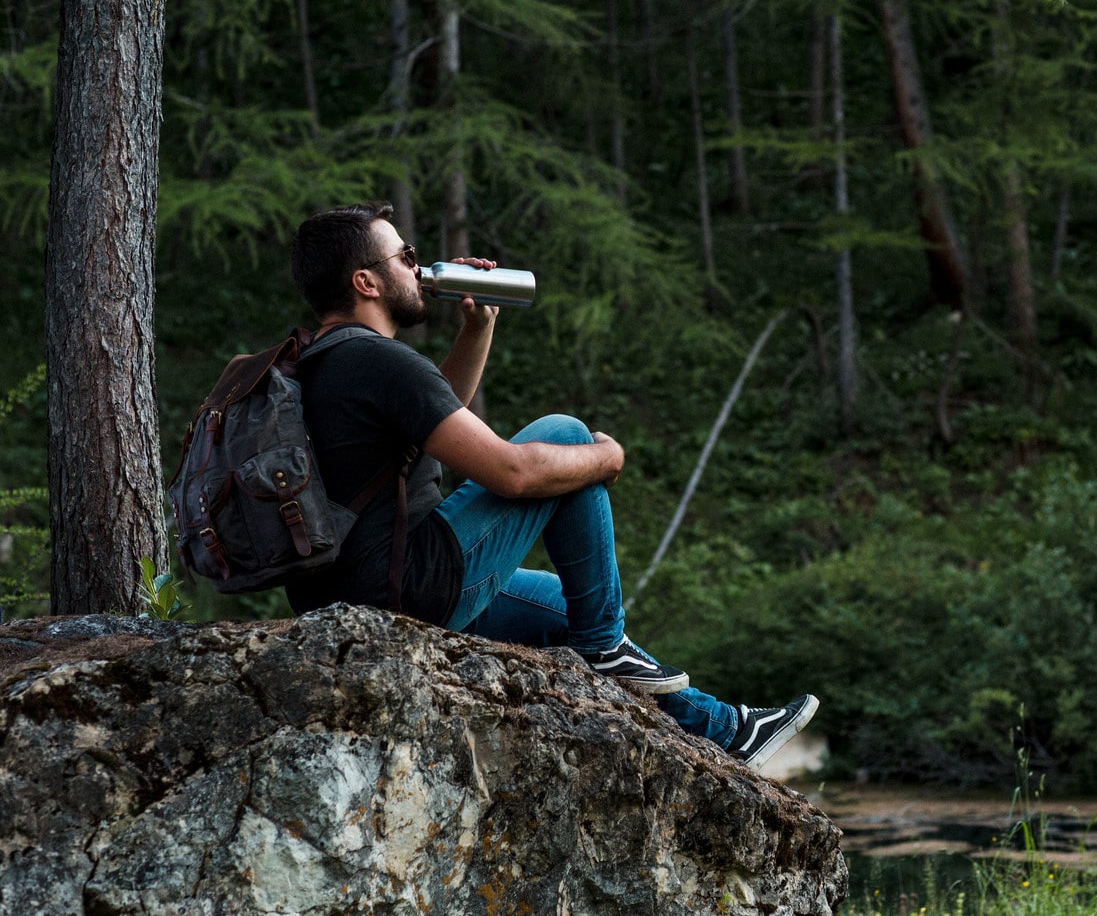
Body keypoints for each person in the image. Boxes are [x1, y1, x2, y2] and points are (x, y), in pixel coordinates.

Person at [285, 201, 816, 770]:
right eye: (405, 256)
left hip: (348, 596)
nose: (418, 267)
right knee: (566, 437)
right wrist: (606, 456)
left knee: (574, 603)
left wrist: (479, 325)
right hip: (404, 588)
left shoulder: (323, 358)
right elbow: (513, 473)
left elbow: (432, 411)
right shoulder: (380, 361)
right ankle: (604, 647)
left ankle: (725, 730)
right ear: (365, 281)